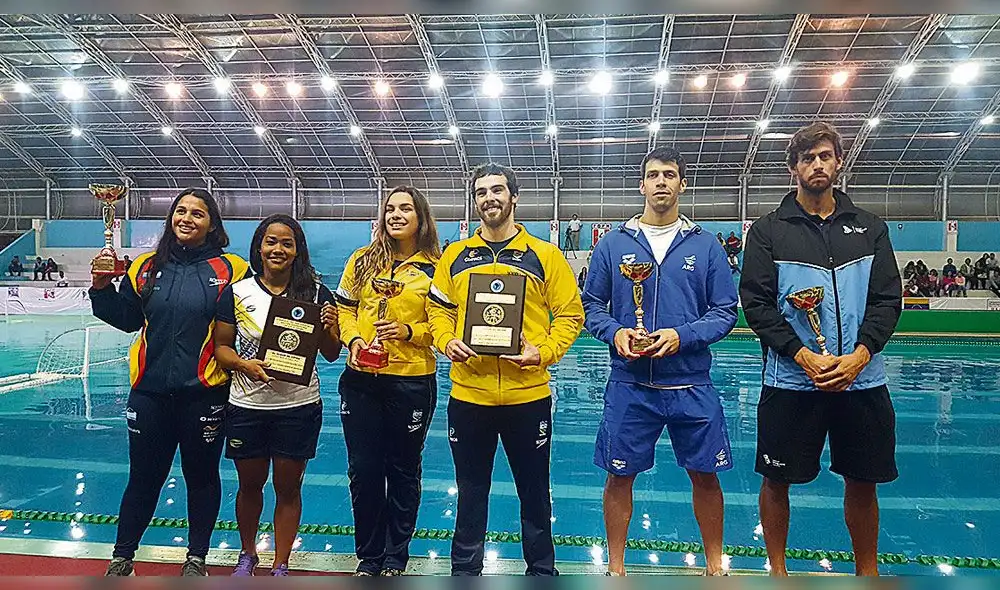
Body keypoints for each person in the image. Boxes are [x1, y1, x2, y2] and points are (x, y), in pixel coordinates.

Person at [739, 122, 902, 577]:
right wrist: (802, 354)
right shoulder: (769, 231)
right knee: (776, 480)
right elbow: (756, 304)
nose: (817, 165)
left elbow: (887, 300)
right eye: (808, 158)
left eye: (825, 156)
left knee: (864, 481)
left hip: (862, 380)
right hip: (791, 380)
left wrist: (860, 355)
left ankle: (866, 573)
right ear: (793, 167)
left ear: (838, 162)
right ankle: (778, 572)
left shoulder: (870, 228)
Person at [582, 147, 738, 576]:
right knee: (619, 477)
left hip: (691, 383)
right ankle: (615, 569)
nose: (662, 182)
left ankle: (714, 567)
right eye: (653, 175)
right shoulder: (613, 244)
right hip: (630, 383)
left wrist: (680, 336)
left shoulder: (705, 246)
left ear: (682, 184)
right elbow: (592, 305)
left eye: (670, 174)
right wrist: (616, 333)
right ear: (642, 184)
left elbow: (726, 311)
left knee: (706, 476)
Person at [426, 162, 584, 576]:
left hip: (527, 397)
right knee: (470, 492)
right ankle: (464, 571)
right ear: (475, 200)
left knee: (534, 492)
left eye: (498, 190)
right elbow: (437, 310)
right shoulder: (454, 256)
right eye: (481, 192)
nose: (489, 198)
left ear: (514, 197)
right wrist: (446, 341)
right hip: (469, 396)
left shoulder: (545, 256)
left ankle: (542, 572)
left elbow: (570, 315)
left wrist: (544, 352)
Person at [90, 187, 249, 577]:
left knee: (202, 478)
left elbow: (256, 318)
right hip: (150, 393)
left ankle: (196, 559)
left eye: (198, 213)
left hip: (205, 393)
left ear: (212, 224)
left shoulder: (233, 269)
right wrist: (99, 288)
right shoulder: (143, 266)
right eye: (181, 211)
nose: (187, 219)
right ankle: (122, 557)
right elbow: (127, 319)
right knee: (143, 478)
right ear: (170, 218)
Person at [214, 215, 342, 577]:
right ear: (259, 247)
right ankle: (247, 553)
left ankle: (282, 562)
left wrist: (331, 328)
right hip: (248, 405)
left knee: (289, 487)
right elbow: (221, 348)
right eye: (271, 242)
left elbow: (331, 353)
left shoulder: (316, 294)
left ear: (297, 250)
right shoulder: (237, 293)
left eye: (287, 243)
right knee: (249, 485)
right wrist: (244, 364)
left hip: (297, 407)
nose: (278, 249)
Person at [336, 186, 442, 576]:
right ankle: (369, 556)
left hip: (411, 380)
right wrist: (354, 339)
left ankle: (396, 555)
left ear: (421, 217)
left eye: (405, 209)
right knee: (363, 470)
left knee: (403, 469)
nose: (396, 214)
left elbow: (444, 327)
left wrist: (408, 331)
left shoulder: (437, 267)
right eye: (390, 208)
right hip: (361, 378)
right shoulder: (362, 261)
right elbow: (344, 309)